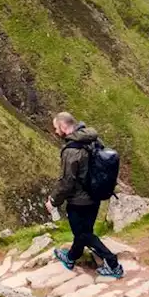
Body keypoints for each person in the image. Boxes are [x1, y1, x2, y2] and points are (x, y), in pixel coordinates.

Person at [46, 112, 124, 278]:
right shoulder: (92, 139)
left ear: (63, 126)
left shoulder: (71, 151)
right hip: (95, 195)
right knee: (84, 231)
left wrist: (53, 201)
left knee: (84, 235)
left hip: (78, 201)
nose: (55, 132)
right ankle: (71, 257)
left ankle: (113, 263)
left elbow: (67, 182)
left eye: (56, 128)